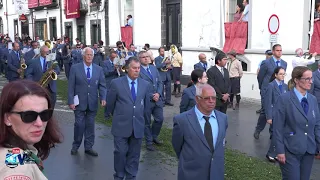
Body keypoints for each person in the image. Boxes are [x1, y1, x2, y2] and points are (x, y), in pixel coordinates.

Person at [0, 80, 62, 179]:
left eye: (45, 114)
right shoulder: (17, 168)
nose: (39, 123)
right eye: (29, 116)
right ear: (7, 118)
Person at [107, 57, 152, 180]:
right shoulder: (116, 83)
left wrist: (145, 123)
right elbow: (110, 103)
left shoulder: (145, 84)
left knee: (134, 154)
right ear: (127, 69)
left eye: (138, 68)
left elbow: (147, 107)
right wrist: (111, 114)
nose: (137, 71)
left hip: (137, 125)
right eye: (134, 68)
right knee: (120, 152)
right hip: (121, 125)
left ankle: (131, 176)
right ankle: (119, 175)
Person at [172, 84, 228, 180]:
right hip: (191, 174)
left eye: (214, 98)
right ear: (197, 99)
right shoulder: (182, 120)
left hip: (216, 173)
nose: (211, 101)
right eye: (207, 98)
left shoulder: (223, 118)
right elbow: (177, 146)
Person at [274, 66, 320, 179]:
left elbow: (317, 125)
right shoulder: (284, 99)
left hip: (308, 150)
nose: (310, 82)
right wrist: (280, 151)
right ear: (296, 80)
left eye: (311, 78)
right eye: (307, 79)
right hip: (290, 150)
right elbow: (277, 127)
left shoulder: (313, 99)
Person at [68, 47, 107, 156]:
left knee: (90, 125)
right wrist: (71, 101)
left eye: (91, 55)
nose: (89, 57)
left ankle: (88, 147)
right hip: (79, 101)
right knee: (79, 125)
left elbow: (102, 85)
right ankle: (75, 145)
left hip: (92, 101)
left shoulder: (98, 69)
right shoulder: (75, 68)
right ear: (83, 56)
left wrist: (103, 97)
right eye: (88, 55)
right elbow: (71, 86)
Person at [254, 44, 287, 139]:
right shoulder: (266, 63)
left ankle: (273, 133)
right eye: (277, 50)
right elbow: (260, 77)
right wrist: (262, 88)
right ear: (273, 51)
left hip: (278, 91)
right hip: (267, 90)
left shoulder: (284, 63)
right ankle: (258, 129)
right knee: (265, 111)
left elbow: (282, 77)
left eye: (281, 50)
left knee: (277, 111)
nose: (279, 52)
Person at [138, 51, 164, 151]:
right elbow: (139, 86)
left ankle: (154, 136)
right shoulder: (138, 70)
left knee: (159, 119)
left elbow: (160, 83)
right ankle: (149, 141)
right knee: (147, 122)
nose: (146, 58)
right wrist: (151, 95)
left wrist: (158, 93)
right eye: (143, 57)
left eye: (147, 56)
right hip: (146, 100)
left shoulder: (153, 68)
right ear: (139, 59)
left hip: (157, 99)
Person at [264, 67, 288, 162]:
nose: (282, 76)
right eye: (281, 74)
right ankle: (270, 153)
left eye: (284, 74)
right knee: (275, 135)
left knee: (282, 135)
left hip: (283, 114)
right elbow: (268, 102)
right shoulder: (271, 86)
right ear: (275, 75)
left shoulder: (285, 86)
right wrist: (269, 117)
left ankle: (278, 153)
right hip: (275, 114)